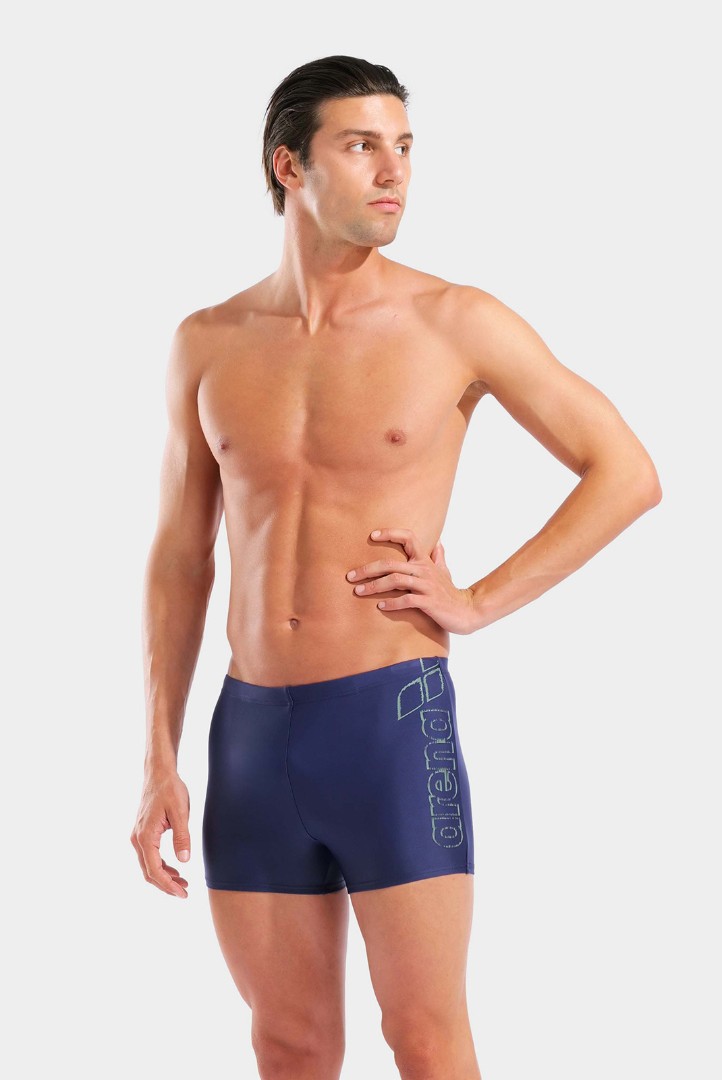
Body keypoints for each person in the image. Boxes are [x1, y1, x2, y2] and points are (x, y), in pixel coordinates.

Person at [130, 54, 662, 1080]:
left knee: (424, 1039)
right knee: (288, 1044)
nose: (394, 172)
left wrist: (478, 601)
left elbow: (625, 473)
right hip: (250, 733)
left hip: (389, 721)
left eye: (405, 147)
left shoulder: (454, 321)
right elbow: (178, 557)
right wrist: (158, 756)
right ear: (289, 164)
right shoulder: (207, 342)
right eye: (361, 145)